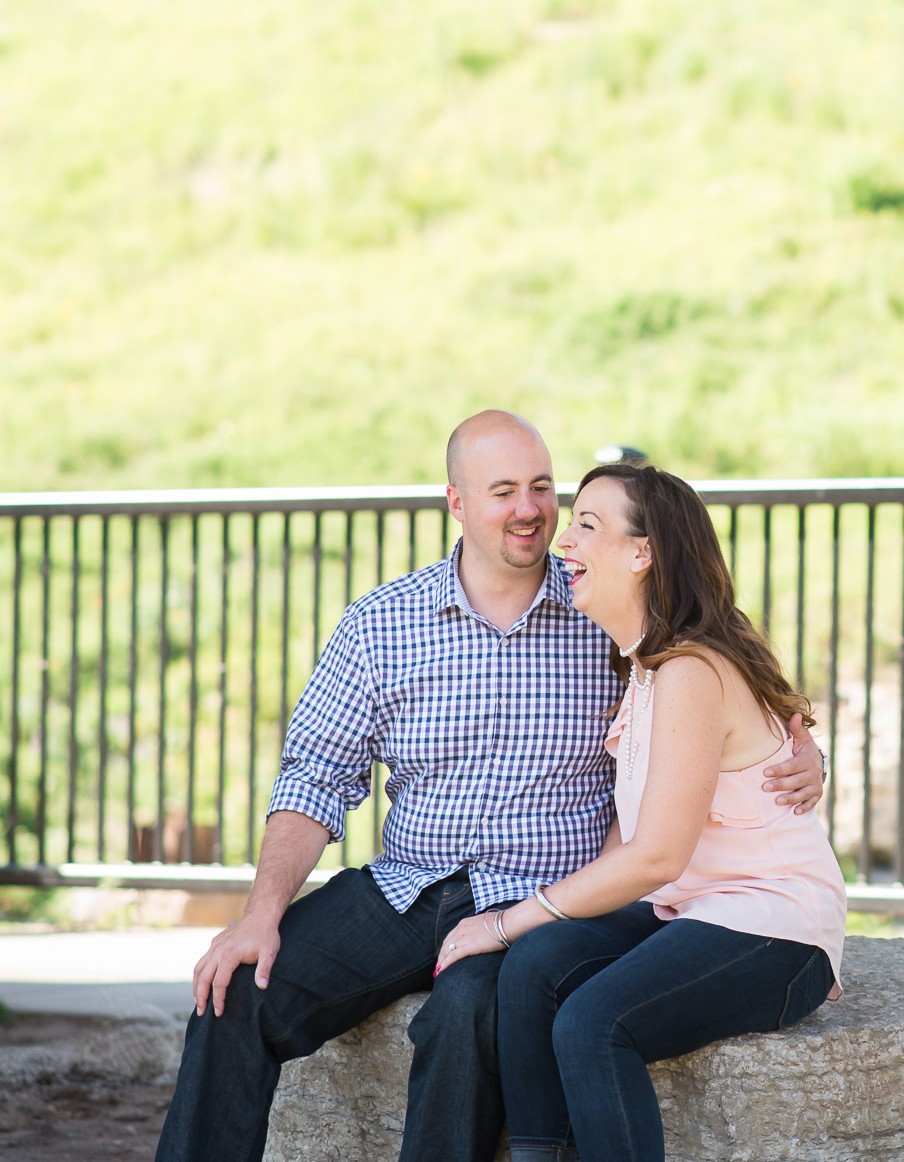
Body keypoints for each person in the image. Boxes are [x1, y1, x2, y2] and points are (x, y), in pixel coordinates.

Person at [154, 412, 826, 1162]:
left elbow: (722, 680)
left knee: (468, 1013)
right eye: (503, 490)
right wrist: (261, 914)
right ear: (458, 503)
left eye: (542, 487)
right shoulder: (383, 624)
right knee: (238, 992)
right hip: (407, 885)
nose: (531, 510)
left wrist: (804, 752)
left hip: (540, 891)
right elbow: (316, 773)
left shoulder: (599, 609)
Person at [433, 462, 846, 1162]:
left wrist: (502, 922)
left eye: (586, 526)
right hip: (689, 911)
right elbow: (631, 847)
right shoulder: (649, 667)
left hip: (773, 923)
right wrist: (531, 932)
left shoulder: (690, 671)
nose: (565, 542)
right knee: (535, 968)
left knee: (593, 1020)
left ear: (642, 552)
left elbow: (656, 855)